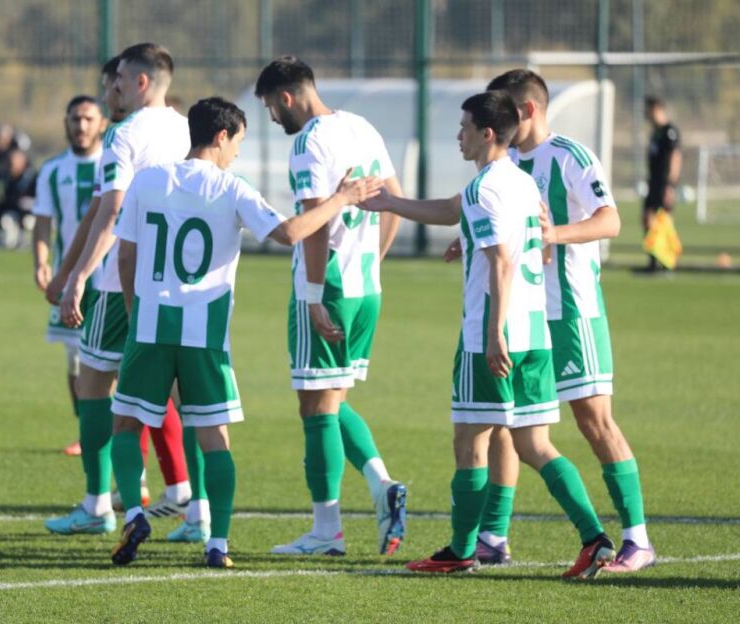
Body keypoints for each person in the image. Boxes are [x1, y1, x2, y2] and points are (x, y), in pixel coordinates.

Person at [108, 96, 383, 568]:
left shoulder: (147, 181)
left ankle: (134, 512)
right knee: (214, 438)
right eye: (237, 141)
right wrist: (342, 199)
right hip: (205, 336)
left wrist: (136, 314)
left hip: (151, 327)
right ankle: (218, 543)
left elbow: (127, 255)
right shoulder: (231, 188)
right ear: (221, 137)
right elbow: (291, 233)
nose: (237, 152)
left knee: (127, 425)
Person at [364, 90, 615, 578]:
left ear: (486, 133)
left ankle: (462, 550)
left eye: (464, 127)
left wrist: (494, 332)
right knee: (535, 444)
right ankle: (595, 538)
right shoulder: (521, 182)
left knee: (469, 440)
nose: (458, 135)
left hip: (490, 336)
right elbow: (471, 219)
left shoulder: (485, 189)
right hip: (535, 334)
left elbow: (501, 262)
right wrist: (391, 202)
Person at [463, 70, 654, 573]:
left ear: (526, 110)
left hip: (572, 311)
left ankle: (637, 538)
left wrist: (555, 234)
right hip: (524, 313)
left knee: (594, 422)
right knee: (505, 423)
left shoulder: (570, 155)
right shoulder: (506, 164)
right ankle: (493, 536)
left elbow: (611, 220)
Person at [254, 56, 408, 557]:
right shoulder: (361, 126)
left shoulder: (308, 142)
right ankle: (382, 485)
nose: (272, 118)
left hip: (328, 285)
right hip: (365, 287)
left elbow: (315, 225)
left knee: (316, 407)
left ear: (286, 97)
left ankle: (327, 531)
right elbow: (395, 200)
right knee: (331, 400)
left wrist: (315, 293)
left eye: (271, 107)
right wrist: (374, 261)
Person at [43, 44, 193, 536]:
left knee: (93, 388)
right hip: (176, 283)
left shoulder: (124, 134)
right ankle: (199, 511)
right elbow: (99, 208)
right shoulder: (185, 128)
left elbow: (111, 211)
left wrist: (79, 277)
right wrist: (67, 270)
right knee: (183, 397)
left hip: (118, 282)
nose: (115, 88)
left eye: (121, 80)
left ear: (141, 82)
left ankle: (96, 506)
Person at [31, 95, 108, 456]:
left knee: (113, 361)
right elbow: (43, 222)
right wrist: (41, 262)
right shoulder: (52, 170)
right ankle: (86, 430)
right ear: (66, 123)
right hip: (71, 280)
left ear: (102, 124)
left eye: (89, 119)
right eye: (75, 119)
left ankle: (115, 432)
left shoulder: (113, 164)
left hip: (109, 278)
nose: (81, 126)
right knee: (76, 360)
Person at [642, 95, 682, 272]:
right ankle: (653, 262)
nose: (645, 114)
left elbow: (675, 157)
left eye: (647, 110)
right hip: (653, 182)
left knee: (663, 221)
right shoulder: (655, 132)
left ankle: (666, 263)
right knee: (647, 219)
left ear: (656, 109)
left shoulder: (669, 131)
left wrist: (670, 185)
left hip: (664, 184)